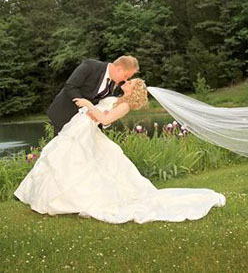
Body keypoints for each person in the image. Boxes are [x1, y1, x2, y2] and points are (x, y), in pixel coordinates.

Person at [14, 78, 225, 224]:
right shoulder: (118, 98)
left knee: (80, 166)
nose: (126, 82)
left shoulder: (125, 106)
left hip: (86, 132)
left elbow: (105, 119)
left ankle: (66, 200)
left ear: (134, 90)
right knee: (63, 160)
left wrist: (88, 104)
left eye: (130, 82)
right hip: (81, 130)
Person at [47, 55, 139, 135]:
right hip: (65, 114)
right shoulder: (90, 66)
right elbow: (71, 86)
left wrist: (104, 119)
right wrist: (86, 109)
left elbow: (104, 107)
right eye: (126, 76)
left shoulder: (115, 83)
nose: (125, 80)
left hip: (86, 124)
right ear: (119, 69)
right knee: (62, 149)